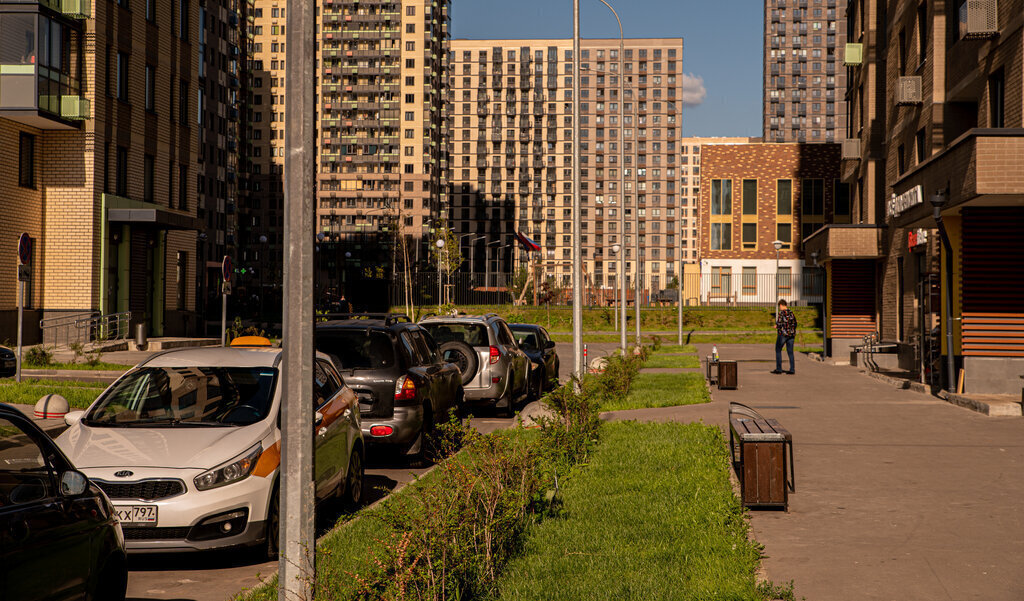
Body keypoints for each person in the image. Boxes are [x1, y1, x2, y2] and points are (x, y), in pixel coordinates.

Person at [772, 299, 797, 374]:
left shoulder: (782, 313)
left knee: (778, 350)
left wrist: (776, 326)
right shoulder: (791, 313)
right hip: (791, 335)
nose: (779, 308)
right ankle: (792, 369)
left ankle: (779, 369)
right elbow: (795, 323)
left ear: (781, 305)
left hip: (783, 334)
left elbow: (780, 323)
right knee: (790, 352)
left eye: (779, 306)